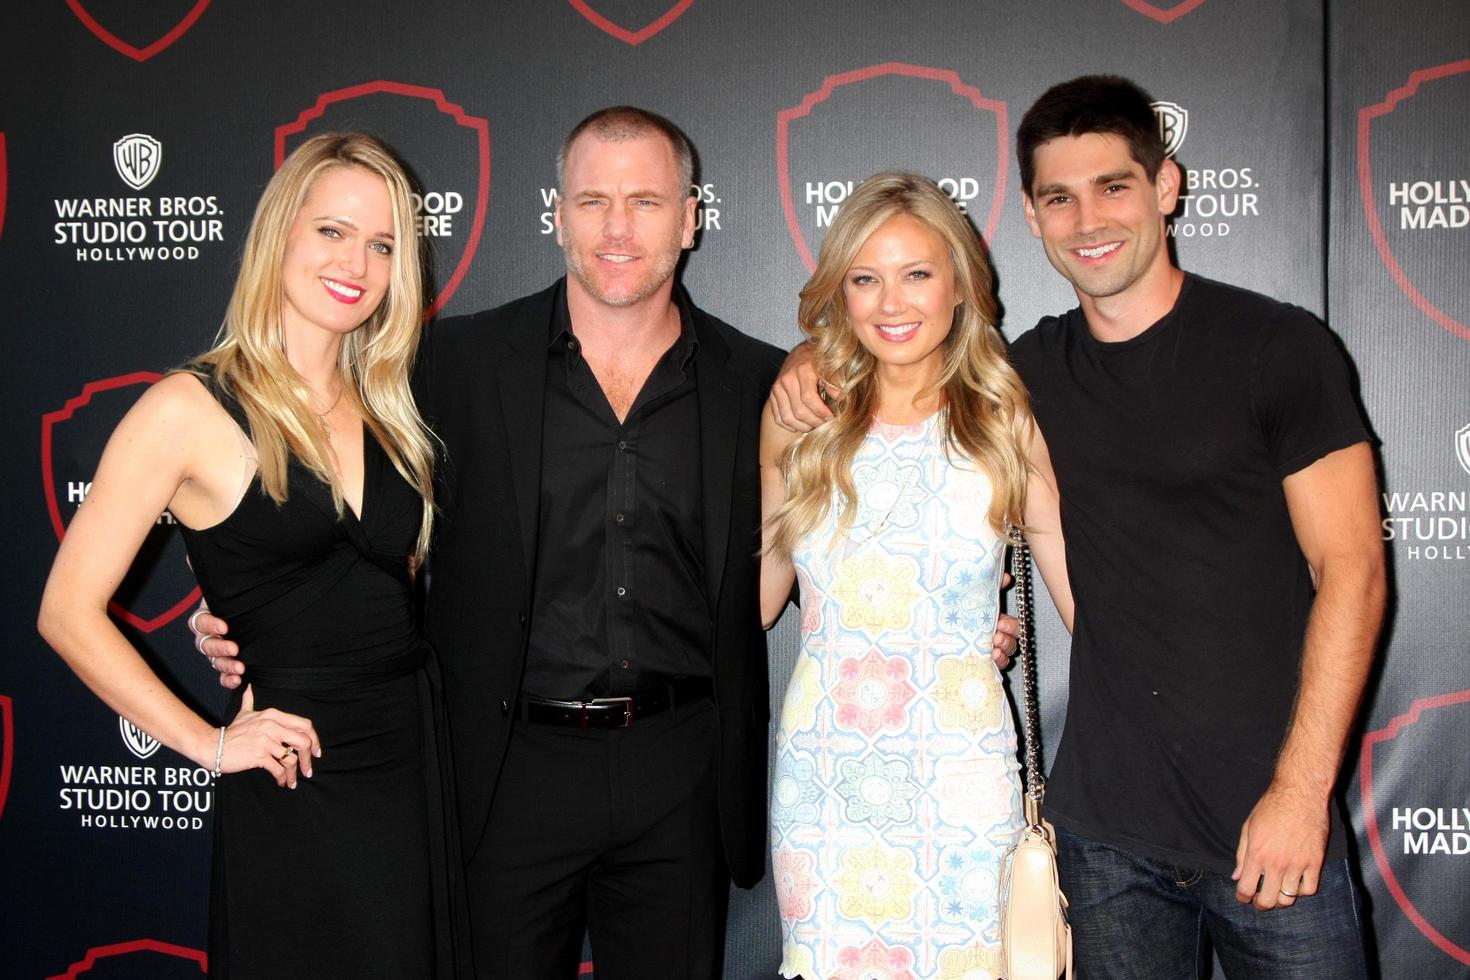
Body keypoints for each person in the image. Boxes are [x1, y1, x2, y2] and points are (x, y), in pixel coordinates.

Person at [195, 108, 1019, 978]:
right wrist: (246, 610)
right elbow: (330, 507)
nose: (618, 229)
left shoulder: (763, 384)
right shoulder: (449, 368)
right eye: (593, 201)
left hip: (680, 777)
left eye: (645, 202)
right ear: (557, 215)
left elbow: (870, 531)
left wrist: (961, 630)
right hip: (502, 774)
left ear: (691, 218)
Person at [773, 76, 1386, 979]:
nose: (1087, 219)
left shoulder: (1276, 348)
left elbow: (1355, 573)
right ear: (1031, 213)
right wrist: (808, 358)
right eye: (1059, 197)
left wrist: (1301, 792)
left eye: (1114, 186)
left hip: (1267, 817)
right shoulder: (1021, 383)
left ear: (1166, 187)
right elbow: (899, 397)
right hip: (1104, 838)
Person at [39, 132, 461, 978]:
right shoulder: (187, 408)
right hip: (294, 769)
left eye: (382, 243)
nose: (358, 262)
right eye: (332, 231)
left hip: (413, 753)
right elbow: (65, 613)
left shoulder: (393, 409)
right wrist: (208, 742)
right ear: (280, 235)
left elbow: (379, 585)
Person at [759, 172, 1071, 980]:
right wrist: (768, 462)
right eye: (864, 278)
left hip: (961, 781)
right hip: (826, 781)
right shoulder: (802, 416)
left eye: (916, 274)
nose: (891, 303)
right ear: (841, 291)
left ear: (961, 282)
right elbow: (759, 602)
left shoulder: (1005, 419)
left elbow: (1083, 604)